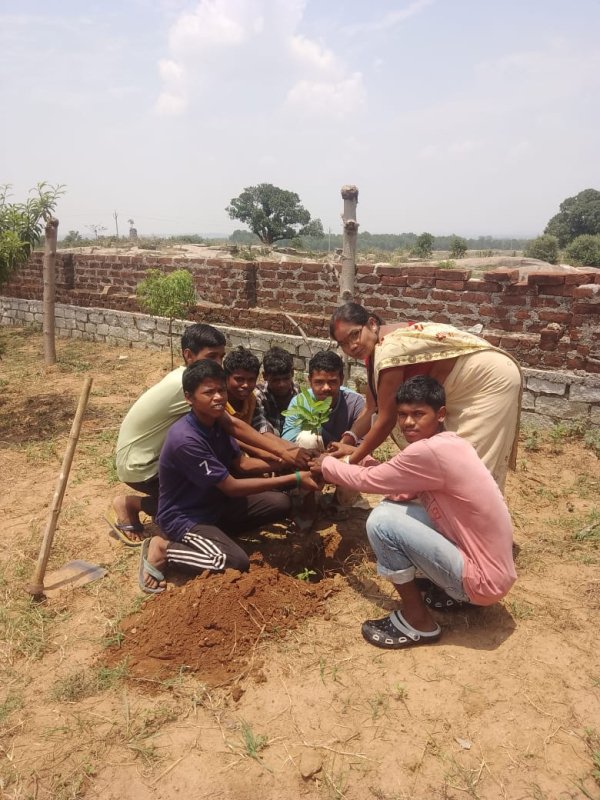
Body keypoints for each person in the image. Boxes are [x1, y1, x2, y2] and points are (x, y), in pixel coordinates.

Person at [312, 375, 516, 650]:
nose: (408, 422)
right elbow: (399, 487)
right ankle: (444, 588)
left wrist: (327, 465)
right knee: (396, 508)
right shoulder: (451, 443)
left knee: (382, 522)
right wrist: (356, 454)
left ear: (440, 414)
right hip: (493, 572)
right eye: (402, 415)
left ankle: (418, 622)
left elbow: (370, 481)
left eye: (418, 414)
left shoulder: (427, 452)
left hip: (482, 582)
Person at [110, 325, 309, 545]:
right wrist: (285, 454)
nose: (218, 364)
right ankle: (133, 505)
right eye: (212, 356)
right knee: (210, 494)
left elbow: (241, 433)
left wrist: (285, 454)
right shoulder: (186, 385)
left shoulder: (194, 380)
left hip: (152, 455)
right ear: (188, 355)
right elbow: (234, 427)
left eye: (221, 357)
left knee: (223, 480)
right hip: (141, 466)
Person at [140, 360, 320, 593]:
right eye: (209, 392)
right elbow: (232, 487)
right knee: (234, 561)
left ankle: (216, 537)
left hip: (215, 504)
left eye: (221, 390)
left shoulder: (216, 421)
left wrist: (288, 458)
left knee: (280, 503)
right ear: (188, 398)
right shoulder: (186, 440)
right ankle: (164, 549)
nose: (218, 397)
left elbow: (242, 463)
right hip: (186, 517)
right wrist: (295, 477)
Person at [329, 302, 522, 491]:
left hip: (487, 381)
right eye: (343, 343)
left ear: (371, 324)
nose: (352, 346)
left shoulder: (388, 351)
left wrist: (347, 461)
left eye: (355, 334)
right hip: (464, 386)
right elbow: (371, 407)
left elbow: (386, 419)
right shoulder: (377, 347)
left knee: (471, 464)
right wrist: (348, 440)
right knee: (449, 456)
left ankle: (474, 509)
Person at [281, 350, 365, 447]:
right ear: (310, 381)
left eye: (332, 382)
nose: (326, 388)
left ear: (341, 379)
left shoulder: (355, 403)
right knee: (307, 438)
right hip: (309, 454)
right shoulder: (300, 403)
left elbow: (364, 446)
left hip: (346, 454)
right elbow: (287, 443)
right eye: (319, 382)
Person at [255, 346, 300, 436]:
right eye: (275, 380)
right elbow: (263, 429)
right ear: (265, 376)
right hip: (269, 440)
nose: (281, 384)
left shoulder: (296, 391)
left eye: (286, 378)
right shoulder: (259, 395)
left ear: (292, 373)